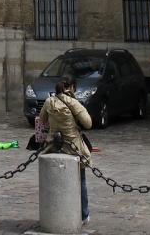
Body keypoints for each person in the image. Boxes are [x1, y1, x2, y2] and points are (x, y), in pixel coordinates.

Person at [41, 76, 92, 225]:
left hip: (53, 146)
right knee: (81, 180)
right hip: (73, 147)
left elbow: (42, 120)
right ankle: (84, 214)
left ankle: (56, 215)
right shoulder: (73, 102)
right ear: (72, 87)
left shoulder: (49, 101)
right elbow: (88, 123)